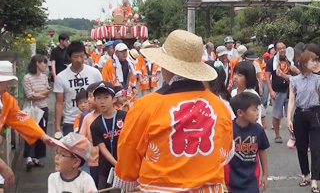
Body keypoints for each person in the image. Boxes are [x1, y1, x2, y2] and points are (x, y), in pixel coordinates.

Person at [112, 30, 233, 192]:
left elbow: (128, 161)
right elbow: (225, 154)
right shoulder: (219, 106)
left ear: (166, 67)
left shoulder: (145, 107)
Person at [0, 61, 52, 188]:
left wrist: (43, 136)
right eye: (6, 81)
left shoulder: (6, 99)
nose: (9, 85)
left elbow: (22, 119)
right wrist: (2, 165)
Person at [287, 51, 320, 192]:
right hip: (300, 114)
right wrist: (288, 117)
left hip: (315, 113)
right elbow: (292, 100)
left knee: (316, 148)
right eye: (313, 61)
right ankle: (306, 175)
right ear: (305, 63)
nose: (315, 63)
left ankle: (315, 180)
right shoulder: (294, 80)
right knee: (301, 147)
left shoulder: (318, 79)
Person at [54, 41, 102, 136]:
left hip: (93, 118)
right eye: (75, 57)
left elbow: (101, 96)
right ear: (69, 57)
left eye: (82, 56)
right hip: (70, 121)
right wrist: (57, 126)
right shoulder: (61, 77)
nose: (79, 60)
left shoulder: (94, 73)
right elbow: (59, 102)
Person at [226, 92, 269, 192]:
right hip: (232, 181)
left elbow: (262, 151)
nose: (257, 113)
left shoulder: (258, 129)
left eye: (257, 109)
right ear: (240, 113)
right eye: (254, 110)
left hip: (252, 180)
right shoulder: (228, 129)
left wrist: (265, 175)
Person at [90, 82, 126, 191]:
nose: (102, 101)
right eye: (98, 98)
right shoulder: (95, 124)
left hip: (125, 164)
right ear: (95, 100)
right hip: (105, 168)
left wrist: (123, 164)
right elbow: (102, 148)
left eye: (106, 97)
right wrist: (116, 164)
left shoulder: (124, 116)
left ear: (114, 99)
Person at [265, 41, 299, 143]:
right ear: (275, 50)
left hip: (290, 90)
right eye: (280, 48)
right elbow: (267, 76)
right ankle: (277, 135)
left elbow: (298, 74)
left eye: (284, 47)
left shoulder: (291, 60)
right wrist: (271, 91)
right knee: (277, 114)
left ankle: (292, 136)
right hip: (277, 90)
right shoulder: (272, 61)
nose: (283, 50)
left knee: (292, 115)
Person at [22, 54, 51, 171]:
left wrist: (38, 94)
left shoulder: (44, 77)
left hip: (43, 108)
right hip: (31, 109)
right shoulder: (27, 78)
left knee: (41, 133)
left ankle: (38, 157)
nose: (45, 65)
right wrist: (42, 93)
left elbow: (48, 90)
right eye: (44, 62)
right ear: (37, 63)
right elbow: (30, 95)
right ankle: (29, 156)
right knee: (29, 133)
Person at [79, 84, 103, 187]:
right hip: (92, 161)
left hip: (109, 161)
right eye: (88, 96)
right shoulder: (87, 118)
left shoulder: (113, 116)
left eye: (91, 96)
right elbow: (81, 138)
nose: (88, 100)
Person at [231, 61, 264, 127]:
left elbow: (257, 119)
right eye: (234, 74)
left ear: (248, 78)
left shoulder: (252, 95)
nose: (235, 77)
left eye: (240, 75)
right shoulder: (233, 92)